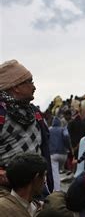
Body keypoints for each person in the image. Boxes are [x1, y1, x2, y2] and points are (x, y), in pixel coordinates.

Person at [0, 59, 54, 193]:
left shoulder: (34, 112)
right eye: (29, 82)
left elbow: (44, 148)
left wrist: (48, 182)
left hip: (36, 185)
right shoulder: (1, 112)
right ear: (16, 86)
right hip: (6, 188)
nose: (34, 87)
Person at [49, 116, 73, 191]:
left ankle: (57, 190)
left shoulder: (49, 130)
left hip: (53, 154)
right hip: (63, 154)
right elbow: (66, 136)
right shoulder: (63, 129)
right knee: (57, 171)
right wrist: (69, 148)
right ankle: (58, 186)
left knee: (55, 173)